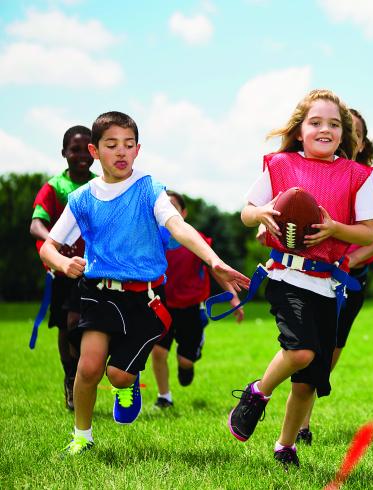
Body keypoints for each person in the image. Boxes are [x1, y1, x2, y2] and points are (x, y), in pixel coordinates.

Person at [39, 111, 250, 456]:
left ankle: (127, 384)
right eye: (112, 145)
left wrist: (214, 260)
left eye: (128, 145)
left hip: (145, 298)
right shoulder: (82, 198)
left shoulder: (149, 189)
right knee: (88, 367)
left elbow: (178, 227)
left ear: (138, 150)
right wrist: (63, 262)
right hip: (97, 292)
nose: (121, 152)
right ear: (95, 151)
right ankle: (82, 436)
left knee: (118, 375)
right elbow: (49, 246)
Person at [228, 89, 373, 469]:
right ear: (300, 130)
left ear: (345, 135)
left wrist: (334, 228)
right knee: (300, 351)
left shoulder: (356, 176)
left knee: (309, 379)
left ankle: (285, 446)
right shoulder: (280, 165)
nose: (324, 129)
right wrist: (261, 212)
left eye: (333, 124)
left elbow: (368, 234)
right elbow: (246, 212)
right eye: (316, 122)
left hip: (327, 285)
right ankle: (257, 394)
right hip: (286, 276)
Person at [290, 108, 373, 445]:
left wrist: (350, 259)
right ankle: (301, 424)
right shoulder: (310, 171)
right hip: (313, 275)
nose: (346, 136)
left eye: (355, 132)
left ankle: (303, 413)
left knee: (331, 350)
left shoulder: (369, 177)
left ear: (361, 141)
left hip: (350, 278)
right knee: (307, 347)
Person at [151, 190, 244, 409]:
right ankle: (164, 397)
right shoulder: (152, 240)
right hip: (162, 305)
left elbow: (215, 269)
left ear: (183, 212)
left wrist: (233, 297)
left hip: (190, 308)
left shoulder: (196, 240)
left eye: (173, 206)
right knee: (158, 351)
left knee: (185, 363)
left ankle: (187, 362)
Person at [30, 125, 96, 411]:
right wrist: (54, 244)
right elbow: (36, 224)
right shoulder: (55, 187)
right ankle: (72, 378)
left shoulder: (100, 184)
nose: (81, 155)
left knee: (87, 325)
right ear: (64, 153)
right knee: (67, 325)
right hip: (62, 270)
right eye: (75, 149)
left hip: (95, 271)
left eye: (86, 149)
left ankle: (85, 373)